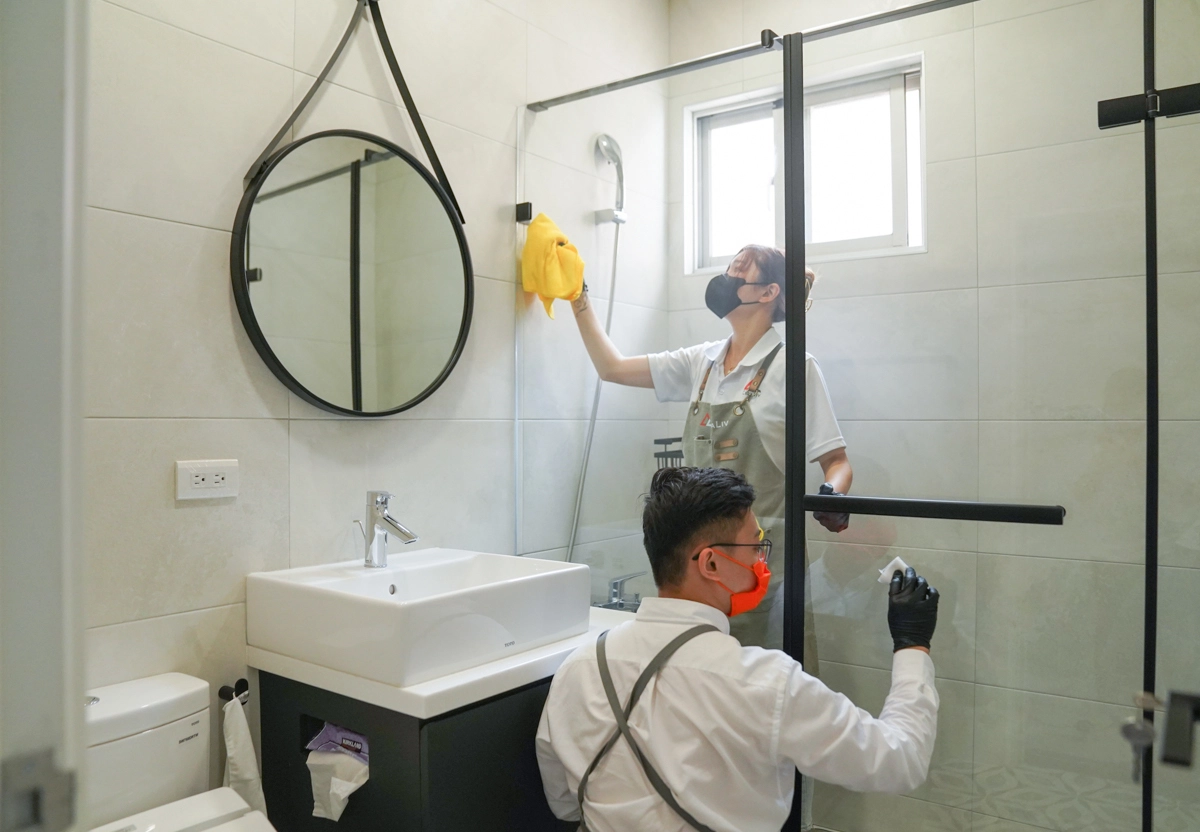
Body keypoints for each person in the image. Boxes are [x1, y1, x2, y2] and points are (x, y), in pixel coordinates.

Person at [536, 466, 940, 832]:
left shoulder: (580, 667)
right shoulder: (766, 684)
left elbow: (565, 804)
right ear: (710, 564)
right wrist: (912, 644)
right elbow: (900, 761)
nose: (763, 562)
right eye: (755, 547)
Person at [570, 244, 850, 652]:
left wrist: (831, 495)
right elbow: (611, 368)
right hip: (694, 563)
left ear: (768, 292)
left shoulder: (794, 366)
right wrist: (578, 298)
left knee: (761, 671)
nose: (726, 279)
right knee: (693, 663)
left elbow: (836, 461)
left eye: (740, 271)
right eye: (729, 267)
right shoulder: (702, 362)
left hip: (763, 566)